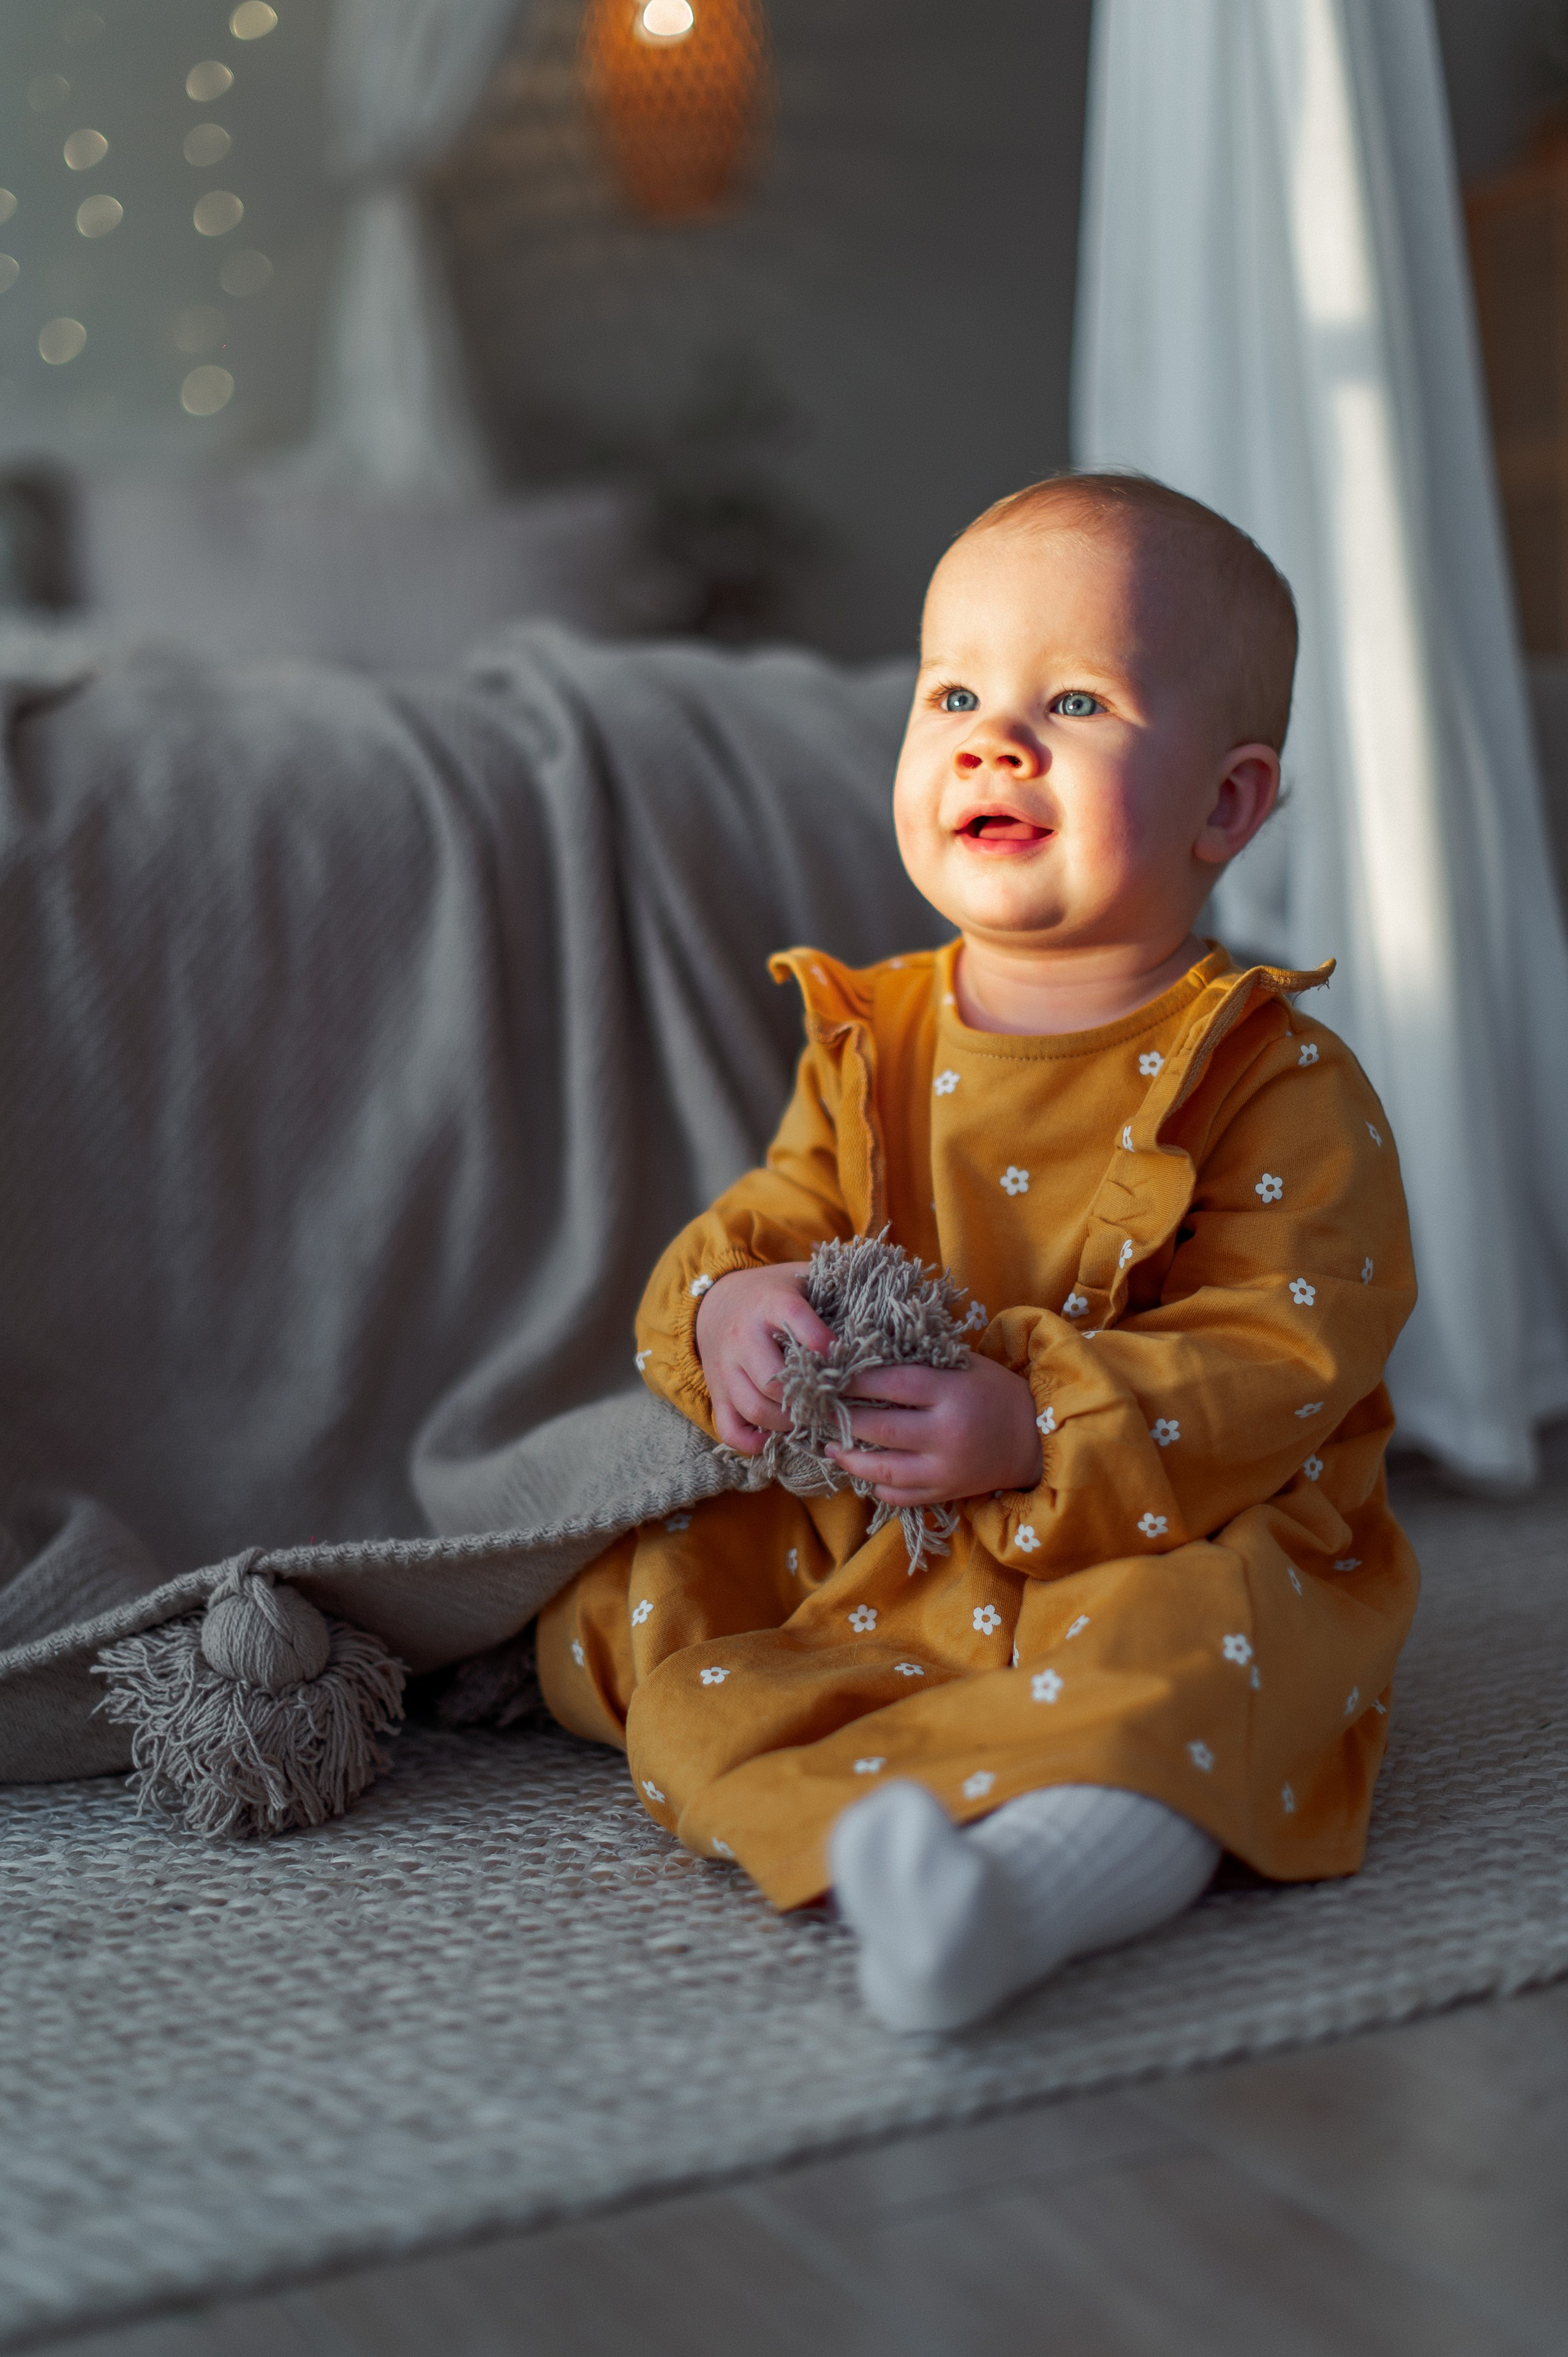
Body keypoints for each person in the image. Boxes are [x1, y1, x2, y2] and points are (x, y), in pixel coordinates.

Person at [537, 472, 1419, 2032]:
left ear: (1224, 805)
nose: (992, 741)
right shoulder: (874, 1035)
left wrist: (1037, 1424)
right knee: (658, 1580)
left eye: (1073, 701)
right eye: (952, 692)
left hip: (1160, 1521)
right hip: (891, 1526)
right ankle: (867, 1809)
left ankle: (1017, 1893)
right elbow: (784, 1215)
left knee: (1206, 1654)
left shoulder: (1273, 1079)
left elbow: (1281, 1358)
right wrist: (740, 1302)